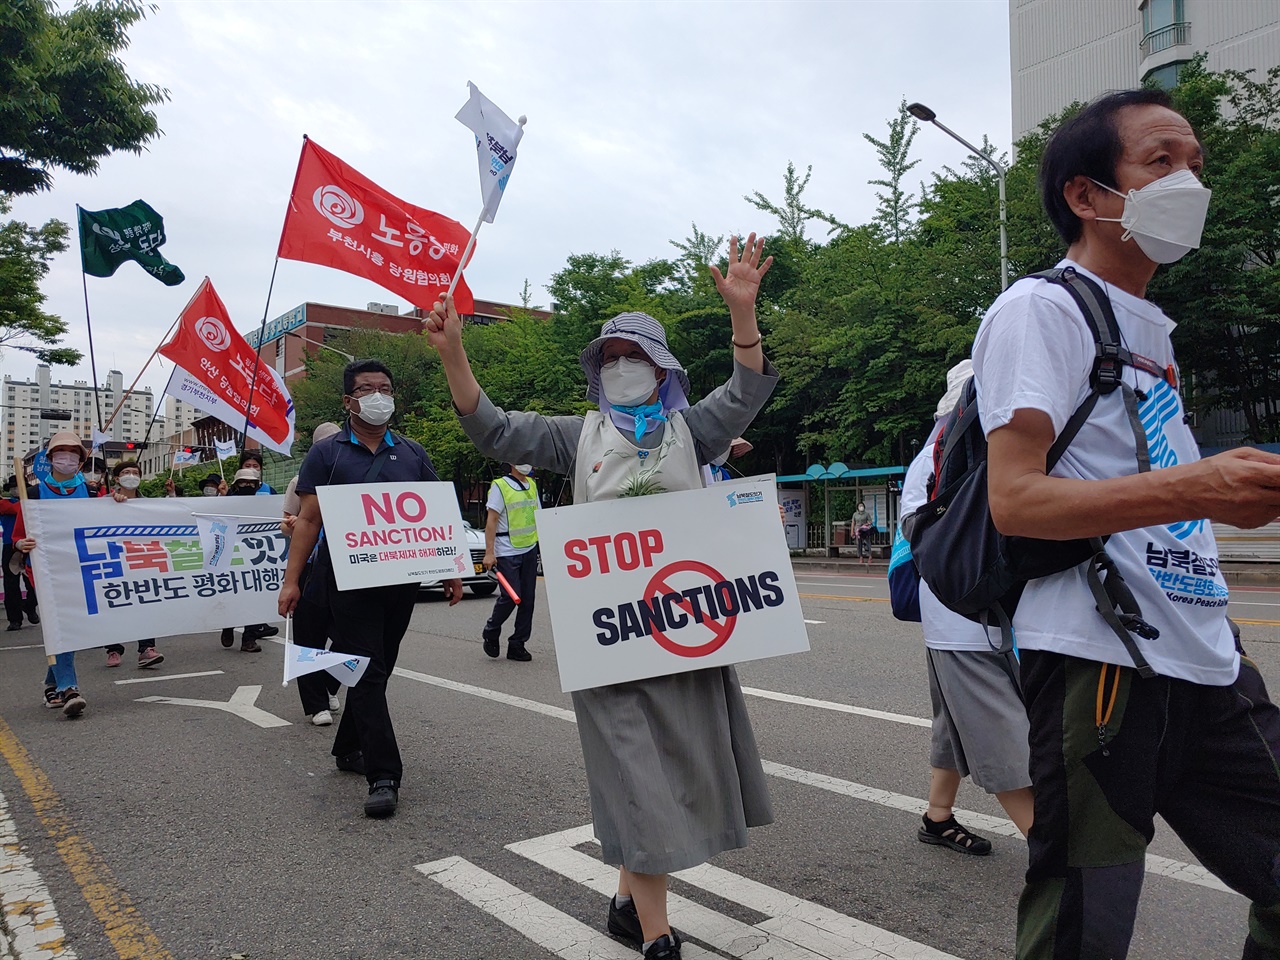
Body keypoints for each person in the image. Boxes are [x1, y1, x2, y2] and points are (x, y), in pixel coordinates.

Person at [975, 89, 1280, 958]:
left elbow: (1159, 496)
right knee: (1084, 928)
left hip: (1207, 659)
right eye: (1159, 162)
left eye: (1194, 164)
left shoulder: (1152, 332)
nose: (1188, 180)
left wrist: (1220, 491)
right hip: (1098, 667)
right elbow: (1018, 500)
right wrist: (1199, 487)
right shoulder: (1043, 310)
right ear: (1087, 196)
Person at [427, 233, 778, 960]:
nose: (622, 368)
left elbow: (746, 392)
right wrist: (454, 354)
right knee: (635, 774)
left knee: (668, 772)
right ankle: (656, 937)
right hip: (611, 639)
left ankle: (625, 899)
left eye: (635, 358)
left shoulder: (695, 430)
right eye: (610, 358)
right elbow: (493, 429)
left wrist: (742, 316)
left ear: (662, 370)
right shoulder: (572, 435)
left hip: (683, 630)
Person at [278, 359, 463, 819]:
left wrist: (453, 566)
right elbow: (308, 520)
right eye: (366, 389)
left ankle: (347, 749)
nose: (378, 396)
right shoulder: (327, 454)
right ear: (349, 401)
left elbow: (437, 513)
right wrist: (291, 579)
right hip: (347, 581)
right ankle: (384, 775)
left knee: (380, 666)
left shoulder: (414, 453)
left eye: (384, 387)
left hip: (401, 581)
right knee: (365, 671)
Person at [900, 361, 1033, 856]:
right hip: (967, 623)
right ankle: (1054, 859)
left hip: (968, 620)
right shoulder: (945, 455)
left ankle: (937, 816)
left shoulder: (942, 451)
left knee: (954, 718)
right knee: (1003, 739)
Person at [13, 431, 94, 717]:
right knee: (62, 625)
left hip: (82, 569)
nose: (67, 457)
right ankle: (70, 688)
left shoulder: (92, 492)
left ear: (80, 461)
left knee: (71, 629)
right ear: (50, 458)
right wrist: (22, 544)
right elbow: (18, 536)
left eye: (74, 453)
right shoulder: (33, 494)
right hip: (46, 572)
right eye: (62, 452)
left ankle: (52, 684)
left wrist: (119, 499)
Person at [281, 422, 344, 725]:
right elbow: (285, 524)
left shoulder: (353, 475)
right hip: (309, 565)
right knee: (309, 635)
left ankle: (331, 683)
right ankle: (316, 704)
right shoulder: (300, 479)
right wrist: (294, 524)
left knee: (350, 634)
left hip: (346, 565)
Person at [102, 461, 164, 669]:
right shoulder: (102, 502)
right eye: (126, 473)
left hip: (140, 559)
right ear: (116, 479)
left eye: (135, 473)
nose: (131, 476)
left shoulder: (149, 504)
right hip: (112, 559)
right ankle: (113, 648)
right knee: (112, 602)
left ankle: (147, 648)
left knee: (146, 602)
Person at [480, 463, 540, 662]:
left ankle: (517, 644)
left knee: (528, 600)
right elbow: (492, 520)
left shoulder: (531, 484)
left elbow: (538, 517)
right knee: (510, 596)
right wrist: (489, 552)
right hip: (507, 551)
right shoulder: (500, 485)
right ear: (511, 462)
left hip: (529, 548)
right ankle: (491, 630)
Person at [1, 475, 37, 631]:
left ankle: (29, 606)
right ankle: (15, 619)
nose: (17, 490)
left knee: (35, 582)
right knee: (11, 585)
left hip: (30, 544)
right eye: (14, 487)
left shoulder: (32, 503)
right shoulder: (4, 503)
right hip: (11, 546)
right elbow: (18, 509)